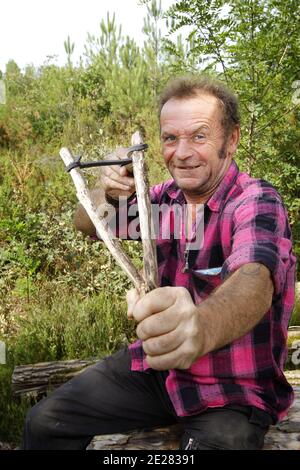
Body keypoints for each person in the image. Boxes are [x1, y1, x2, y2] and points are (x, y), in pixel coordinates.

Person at [22, 76, 296, 450]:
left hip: (232, 387)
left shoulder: (255, 200)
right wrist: (110, 192)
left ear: (231, 140)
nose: (181, 153)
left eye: (199, 136)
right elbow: (86, 224)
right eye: (170, 138)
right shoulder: (164, 201)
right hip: (159, 374)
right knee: (45, 422)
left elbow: (255, 278)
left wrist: (199, 327)